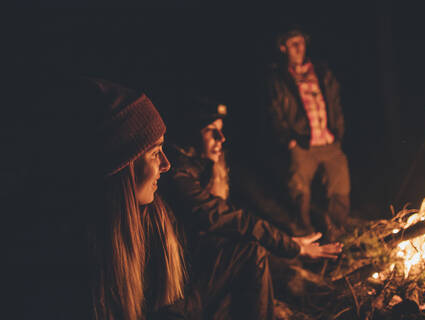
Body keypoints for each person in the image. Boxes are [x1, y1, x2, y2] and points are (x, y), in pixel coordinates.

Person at [164, 98, 342, 320]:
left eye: (221, 130)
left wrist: (290, 240)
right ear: (190, 134)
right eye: (211, 131)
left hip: (199, 275)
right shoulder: (177, 176)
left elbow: (254, 207)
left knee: (260, 251)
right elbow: (227, 218)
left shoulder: (208, 167)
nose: (222, 138)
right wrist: (291, 246)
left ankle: (319, 293)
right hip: (179, 293)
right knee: (251, 251)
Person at [49, 78, 187, 320]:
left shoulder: (156, 226)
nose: (167, 164)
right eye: (155, 153)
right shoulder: (73, 258)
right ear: (123, 166)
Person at [265, 27, 351, 238]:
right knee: (299, 190)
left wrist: (338, 129)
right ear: (283, 47)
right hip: (303, 143)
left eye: (301, 42)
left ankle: (337, 233)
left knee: (340, 186)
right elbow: (274, 111)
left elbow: (335, 101)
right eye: (293, 44)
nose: (299, 48)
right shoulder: (279, 78)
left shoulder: (321, 71)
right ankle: (305, 235)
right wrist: (288, 140)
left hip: (329, 140)